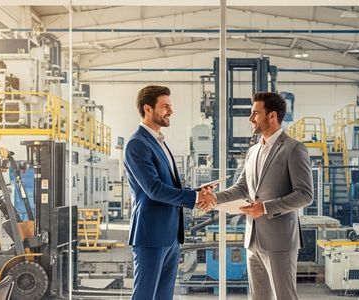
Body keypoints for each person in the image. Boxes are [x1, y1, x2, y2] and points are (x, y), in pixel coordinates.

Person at [210, 92, 313, 300]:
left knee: (284, 297)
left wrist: (265, 207)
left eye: (255, 113)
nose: (250, 118)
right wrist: (213, 198)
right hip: (253, 240)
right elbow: (242, 188)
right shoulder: (253, 151)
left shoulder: (293, 149)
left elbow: (305, 194)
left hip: (280, 241)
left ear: (272, 116)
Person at [124, 85, 216, 300]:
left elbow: (168, 186)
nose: (171, 111)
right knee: (144, 296)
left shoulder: (159, 142)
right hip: (151, 235)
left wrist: (197, 192)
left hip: (170, 236)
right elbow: (154, 189)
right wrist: (195, 198)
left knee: (164, 296)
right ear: (148, 109)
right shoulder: (137, 144)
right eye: (165, 106)